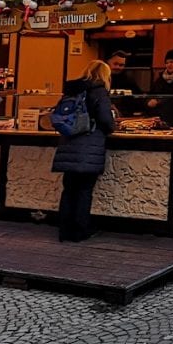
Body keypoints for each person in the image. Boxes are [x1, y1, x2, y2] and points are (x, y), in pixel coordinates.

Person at [51, 60, 116, 242]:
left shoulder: (72, 89)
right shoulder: (99, 91)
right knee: (84, 190)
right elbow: (105, 120)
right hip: (89, 147)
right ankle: (80, 231)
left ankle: (64, 231)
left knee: (69, 189)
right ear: (105, 75)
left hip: (69, 144)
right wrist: (112, 126)